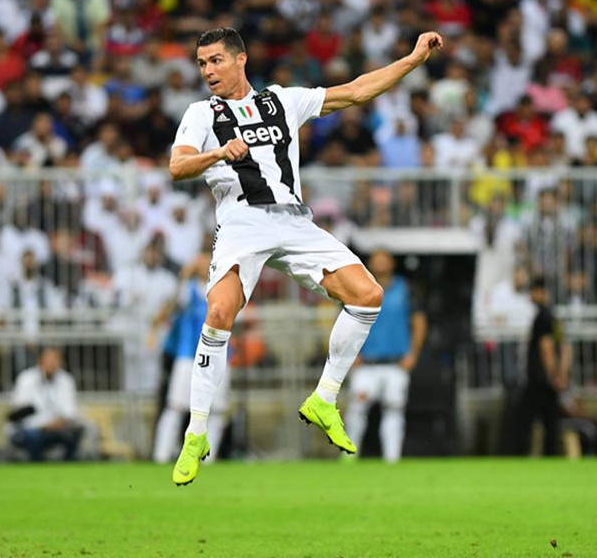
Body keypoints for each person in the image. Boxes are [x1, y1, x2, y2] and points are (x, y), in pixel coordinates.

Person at [168, 26, 443, 485]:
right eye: (201, 64)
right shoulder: (201, 113)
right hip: (243, 221)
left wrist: (413, 59)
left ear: (241, 59)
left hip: (295, 220)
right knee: (218, 312)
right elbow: (177, 166)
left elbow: (355, 92)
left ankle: (324, 397)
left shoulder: (280, 101)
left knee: (367, 294)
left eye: (215, 60)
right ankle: (196, 432)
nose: (207, 71)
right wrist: (218, 154)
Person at [343, 250, 427, 462]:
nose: (380, 263)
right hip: (366, 363)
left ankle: (392, 459)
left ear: (392, 262)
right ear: (370, 262)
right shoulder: (359, 288)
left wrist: (413, 353)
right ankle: (348, 457)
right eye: (376, 259)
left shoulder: (405, 289)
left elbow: (418, 321)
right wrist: (349, 352)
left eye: (384, 258)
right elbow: (347, 321)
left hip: (395, 363)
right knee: (357, 409)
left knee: (394, 410)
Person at [152, 252, 230, 463]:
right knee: (176, 407)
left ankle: (207, 458)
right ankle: (161, 455)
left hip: (219, 355)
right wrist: (182, 277)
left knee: (217, 411)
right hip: (188, 355)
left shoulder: (223, 288)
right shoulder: (187, 290)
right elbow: (166, 310)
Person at [518, 276, 571, 456]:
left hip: (540, 377)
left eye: (533, 292)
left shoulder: (541, 317)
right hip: (551, 378)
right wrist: (562, 373)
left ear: (540, 292)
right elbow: (565, 347)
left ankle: (521, 454)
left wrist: (552, 374)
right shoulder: (554, 318)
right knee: (551, 421)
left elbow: (546, 347)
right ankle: (551, 455)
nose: (531, 296)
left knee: (525, 420)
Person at [9, 347, 84, 462]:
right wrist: (44, 425)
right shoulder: (26, 379)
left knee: (75, 432)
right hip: (32, 428)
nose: (52, 364)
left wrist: (61, 420)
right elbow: (20, 409)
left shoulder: (66, 380)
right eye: (48, 360)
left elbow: (69, 409)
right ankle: (35, 466)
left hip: (57, 427)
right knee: (32, 437)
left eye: (55, 360)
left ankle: (69, 466)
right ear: (40, 362)